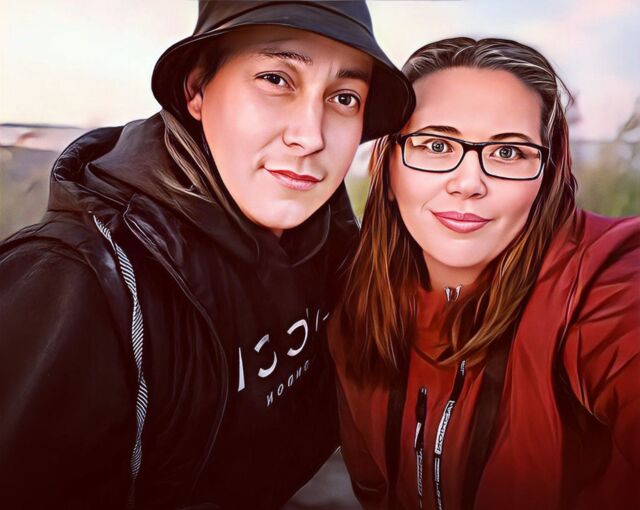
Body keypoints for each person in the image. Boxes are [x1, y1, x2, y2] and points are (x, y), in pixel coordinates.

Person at [0, 2, 414, 509]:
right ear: (197, 90)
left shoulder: (334, 244)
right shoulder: (77, 285)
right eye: (275, 79)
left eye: (344, 97)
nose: (310, 137)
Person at [330, 37, 640, 510]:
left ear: (546, 180)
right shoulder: (357, 311)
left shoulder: (600, 288)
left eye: (509, 153)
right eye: (436, 145)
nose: (469, 183)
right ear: (388, 168)